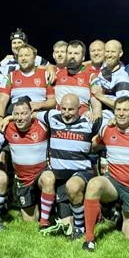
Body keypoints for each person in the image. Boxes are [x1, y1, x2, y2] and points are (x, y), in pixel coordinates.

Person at [83, 97, 129, 251]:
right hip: (113, 183)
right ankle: (89, 239)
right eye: (118, 110)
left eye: (125, 110)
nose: (121, 113)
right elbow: (94, 143)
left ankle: (119, 212)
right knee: (94, 184)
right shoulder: (107, 129)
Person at [36, 93, 103, 237]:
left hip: (80, 173)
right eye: (63, 109)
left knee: (72, 187)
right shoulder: (52, 116)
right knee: (47, 178)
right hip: (58, 174)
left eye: (71, 109)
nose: (66, 113)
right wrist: (8, 118)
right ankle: (44, 222)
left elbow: (113, 123)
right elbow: (30, 114)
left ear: (79, 108)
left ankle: (79, 228)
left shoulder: (90, 121)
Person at [1, 96, 51, 224]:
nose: (20, 117)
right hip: (24, 181)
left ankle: (44, 221)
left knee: (48, 179)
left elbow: (57, 114)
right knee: (29, 221)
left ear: (31, 114)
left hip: (41, 176)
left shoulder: (43, 124)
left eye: (24, 113)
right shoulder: (7, 128)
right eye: (16, 114)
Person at [0, 44, 55, 117]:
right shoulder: (10, 77)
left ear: (34, 58)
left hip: (38, 118)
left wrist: (40, 105)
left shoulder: (46, 75)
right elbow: (2, 101)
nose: (23, 58)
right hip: (16, 118)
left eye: (27, 55)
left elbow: (53, 101)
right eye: (20, 56)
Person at [53, 40, 101, 117]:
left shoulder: (91, 76)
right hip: (59, 122)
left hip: (82, 121)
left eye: (76, 53)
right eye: (70, 53)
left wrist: (96, 117)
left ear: (83, 57)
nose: (72, 56)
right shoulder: (56, 74)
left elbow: (96, 105)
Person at [91, 39, 129, 119]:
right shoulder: (106, 66)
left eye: (113, 52)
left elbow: (123, 106)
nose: (109, 55)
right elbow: (93, 60)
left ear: (120, 53)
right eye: (107, 51)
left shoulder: (122, 77)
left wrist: (100, 96)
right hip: (94, 112)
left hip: (110, 119)